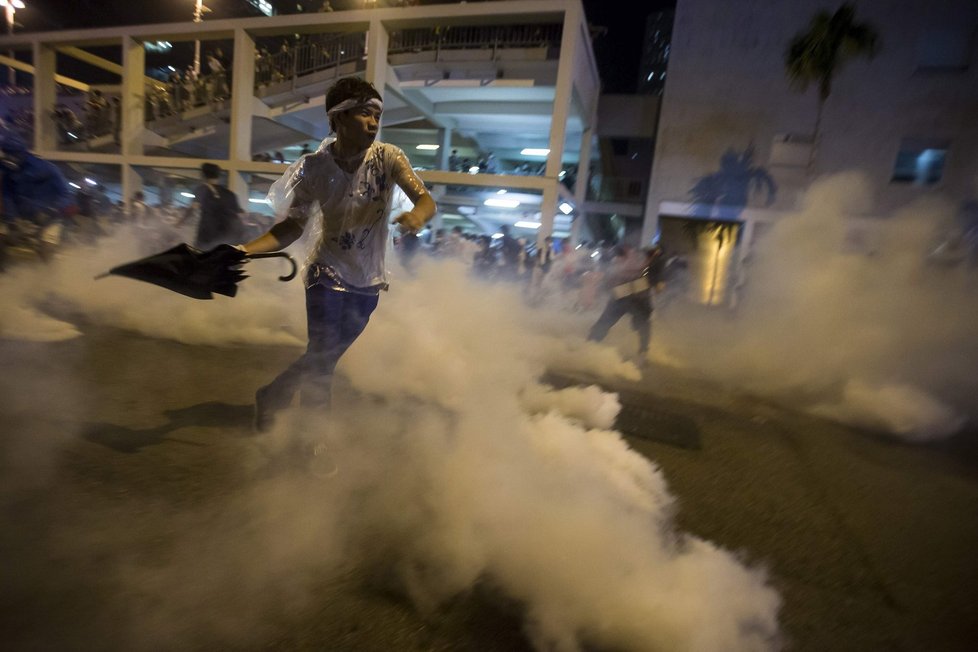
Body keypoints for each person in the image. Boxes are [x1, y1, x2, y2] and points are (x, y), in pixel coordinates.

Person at [239, 76, 436, 431]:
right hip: (325, 273)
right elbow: (291, 227)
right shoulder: (313, 169)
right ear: (339, 118)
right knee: (324, 356)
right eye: (364, 113)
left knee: (323, 355)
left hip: (369, 280)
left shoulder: (389, 158)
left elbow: (425, 198)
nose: (374, 123)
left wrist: (417, 216)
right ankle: (315, 438)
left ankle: (274, 392)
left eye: (377, 114)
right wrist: (244, 250)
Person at [586, 244, 666, 364]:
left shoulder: (626, 261)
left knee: (605, 322)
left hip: (621, 296)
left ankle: (589, 345)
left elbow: (610, 279)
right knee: (643, 326)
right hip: (638, 299)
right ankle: (643, 353)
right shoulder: (653, 264)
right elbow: (659, 287)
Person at [177, 162, 245, 250]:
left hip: (208, 234)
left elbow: (193, 208)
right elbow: (240, 213)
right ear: (219, 175)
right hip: (227, 235)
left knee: (202, 258)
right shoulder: (229, 194)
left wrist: (179, 223)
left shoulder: (202, 189)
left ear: (202, 175)